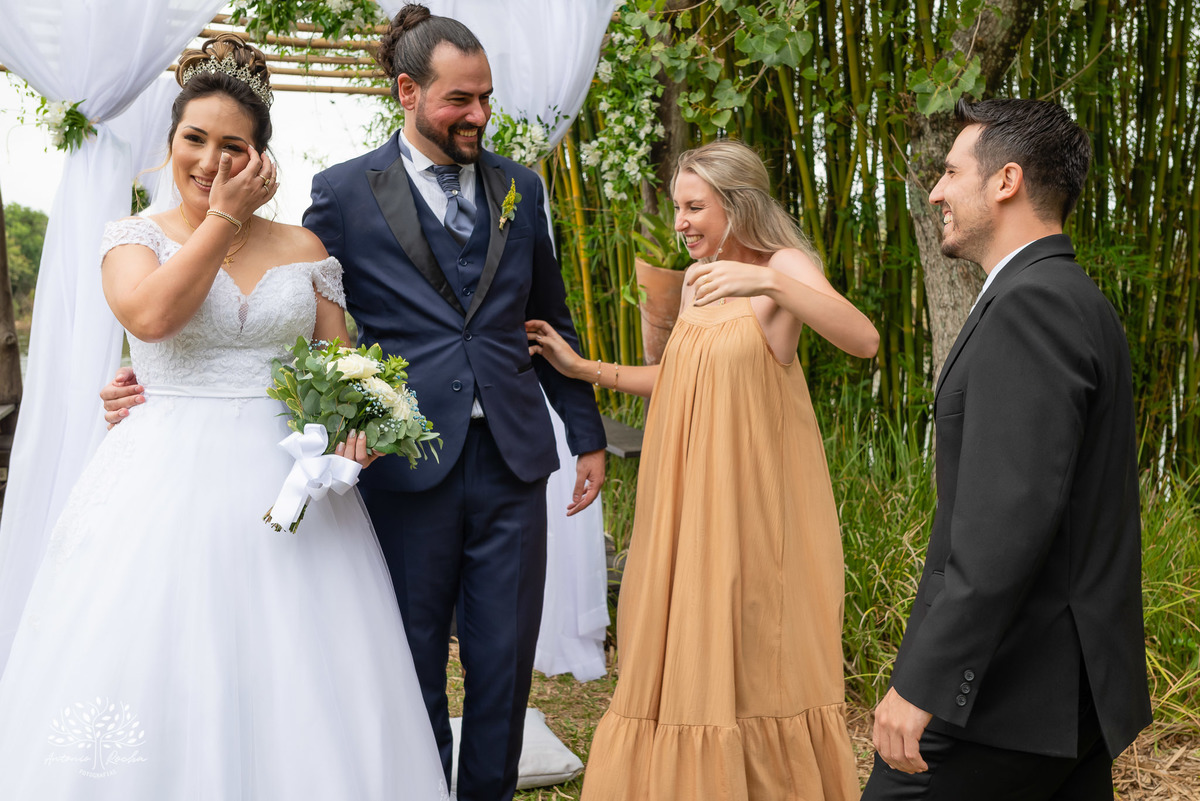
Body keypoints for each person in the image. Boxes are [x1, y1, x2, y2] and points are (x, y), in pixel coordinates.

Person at [106, 8, 606, 801]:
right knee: (400, 660)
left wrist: (585, 432)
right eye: (460, 100)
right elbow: (295, 330)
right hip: (404, 466)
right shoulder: (340, 193)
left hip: (513, 456)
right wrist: (154, 385)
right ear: (408, 92)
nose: (478, 115)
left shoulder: (522, 185)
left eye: (486, 99)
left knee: (504, 661)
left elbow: (548, 315)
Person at [0, 35, 449, 799]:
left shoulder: (307, 248)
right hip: (158, 486)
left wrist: (361, 428)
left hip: (288, 489)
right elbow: (151, 318)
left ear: (261, 157)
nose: (210, 161)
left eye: (232, 146)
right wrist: (222, 220)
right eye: (194, 140)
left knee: (298, 674)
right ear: (170, 142)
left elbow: (340, 368)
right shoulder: (132, 238)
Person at [527, 139, 879, 801]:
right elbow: (678, 377)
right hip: (685, 500)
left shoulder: (784, 267)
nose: (681, 221)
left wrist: (770, 280)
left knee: (752, 656)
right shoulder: (696, 279)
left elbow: (863, 339)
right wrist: (581, 368)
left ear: (738, 204)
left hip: (754, 503)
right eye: (677, 207)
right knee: (680, 647)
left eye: (695, 207)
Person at [862, 99, 1152, 800]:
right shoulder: (1076, 296)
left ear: (1006, 180)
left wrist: (925, 681)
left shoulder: (1032, 305)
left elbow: (1005, 523)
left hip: (1008, 696)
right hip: (1063, 693)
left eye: (951, 171)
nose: (935, 191)